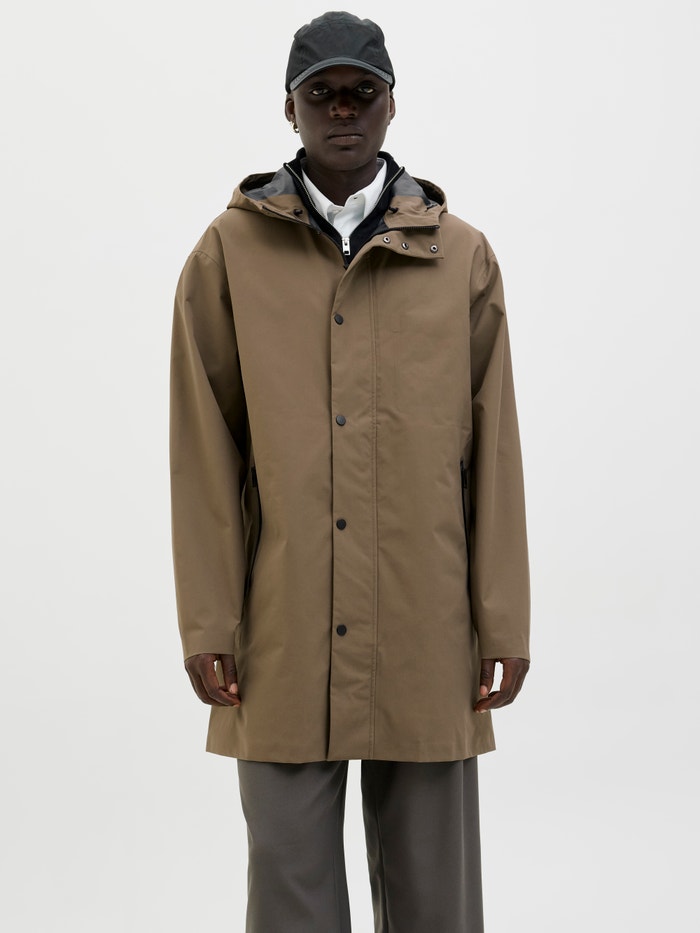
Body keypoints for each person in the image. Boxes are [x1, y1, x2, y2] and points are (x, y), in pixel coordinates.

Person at [170, 11, 530, 933]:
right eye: (321, 93)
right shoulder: (228, 252)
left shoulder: (459, 256)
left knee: (434, 894)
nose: (342, 110)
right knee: (288, 885)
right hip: (281, 622)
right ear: (288, 107)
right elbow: (203, 448)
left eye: (361, 93)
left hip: (426, 620)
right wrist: (209, 618)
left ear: (391, 105)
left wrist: (503, 618)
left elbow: (494, 449)